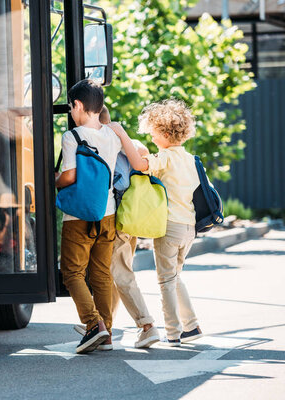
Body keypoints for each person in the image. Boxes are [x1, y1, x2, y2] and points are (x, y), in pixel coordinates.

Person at [108, 99, 203, 347]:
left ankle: (173, 332)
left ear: (163, 133)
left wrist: (121, 134)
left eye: (152, 134)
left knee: (165, 281)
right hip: (189, 227)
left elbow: (141, 165)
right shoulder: (190, 159)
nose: (151, 139)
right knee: (175, 276)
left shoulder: (166, 157)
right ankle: (191, 325)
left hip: (169, 226)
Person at [55, 80, 123, 353]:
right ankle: (105, 334)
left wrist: (54, 180)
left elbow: (70, 175)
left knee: (72, 272)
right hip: (107, 213)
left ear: (79, 105)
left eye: (71, 106)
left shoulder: (73, 136)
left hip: (78, 216)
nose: (71, 112)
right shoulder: (112, 135)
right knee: (102, 274)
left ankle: (93, 324)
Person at [100, 106, 161, 348]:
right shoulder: (129, 143)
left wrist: (117, 137)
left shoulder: (105, 142)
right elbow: (143, 151)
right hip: (130, 218)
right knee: (113, 274)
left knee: (120, 273)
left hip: (116, 218)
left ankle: (146, 325)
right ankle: (106, 329)